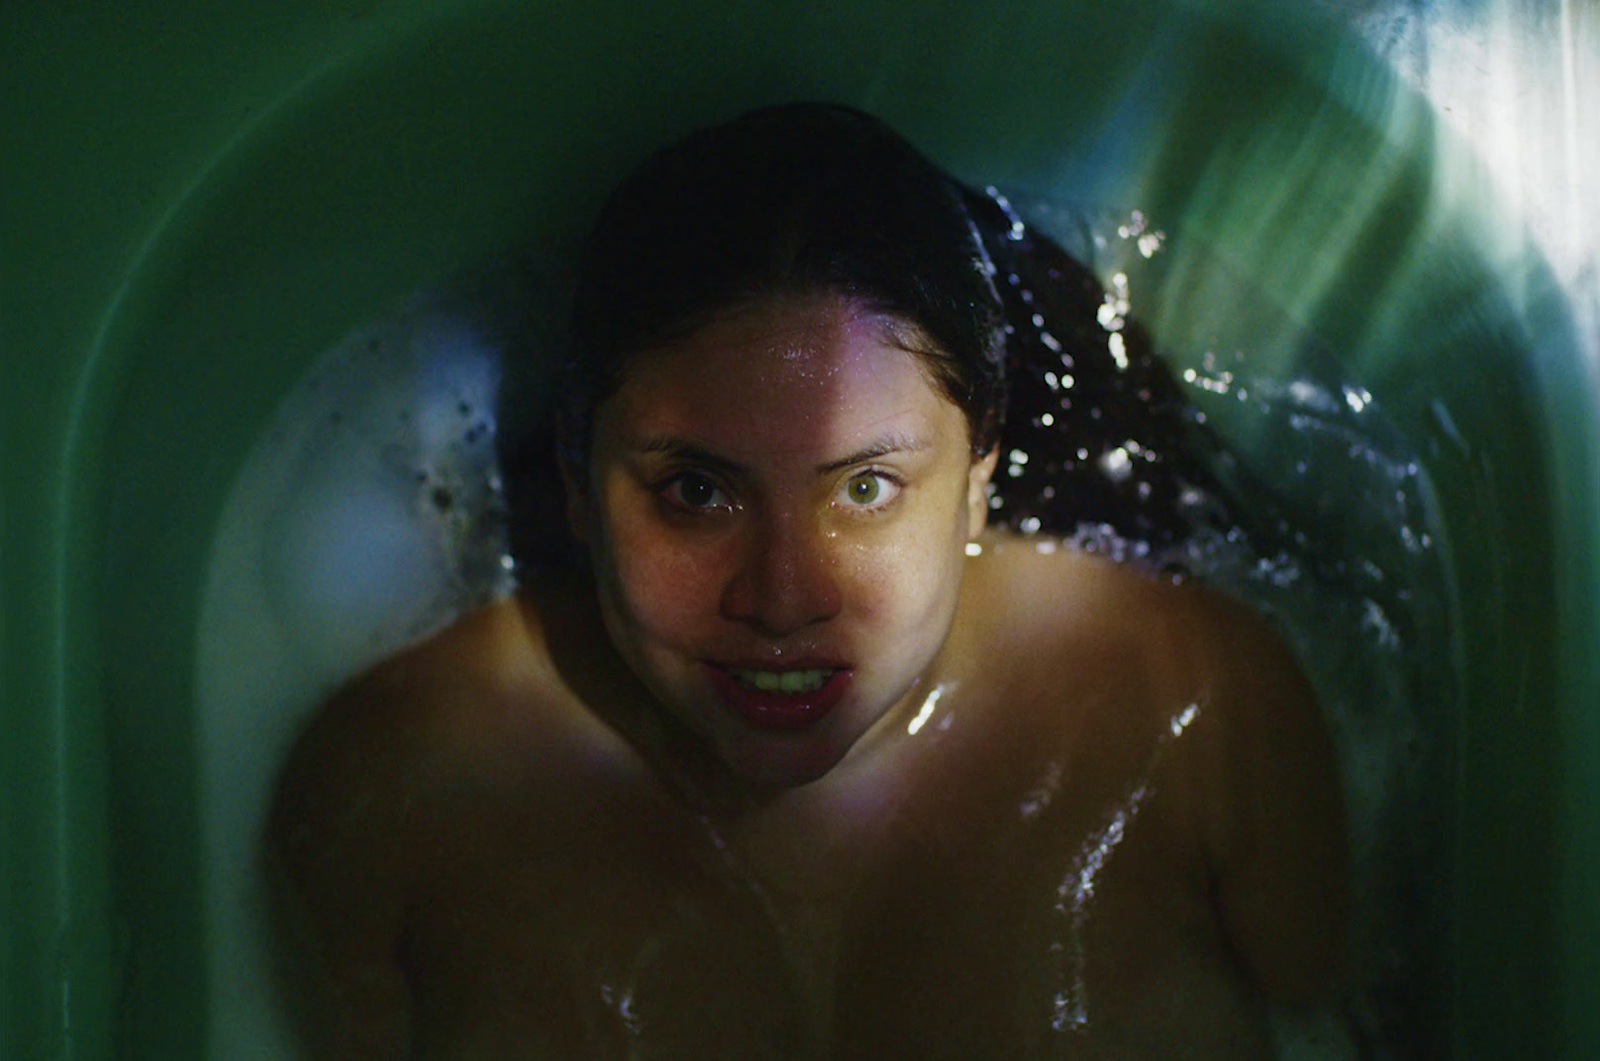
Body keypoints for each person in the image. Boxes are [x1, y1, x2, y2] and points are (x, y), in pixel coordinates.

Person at [266, 102, 1348, 1060]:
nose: (783, 598)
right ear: (578, 487)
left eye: (866, 487)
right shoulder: (399, 790)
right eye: (696, 490)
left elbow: (1356, 1012)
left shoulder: (1194, 707)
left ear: (977, 483)